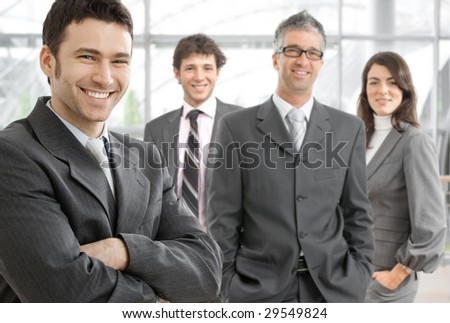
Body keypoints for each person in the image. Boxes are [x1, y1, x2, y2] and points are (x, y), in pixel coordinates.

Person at [0, 0, 223, 302]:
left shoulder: (146, 159)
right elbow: (63, 292)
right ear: (48, 61)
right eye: (88, 56)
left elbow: (207, 271)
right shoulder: (12, 154)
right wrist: (158, 303)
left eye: (119, 61)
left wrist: (123, 251)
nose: (105, 77)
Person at [206, 10, 374, 303]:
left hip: (333, 289)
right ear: (276, 59)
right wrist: (228, 282)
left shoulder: (349, 129)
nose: (302, 60)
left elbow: (357, 213)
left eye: (312, 53)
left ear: (321, 63)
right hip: (258, 290)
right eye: (293, 50)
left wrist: (360, 275)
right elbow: (223, 218)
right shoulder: (235, 128)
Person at [357, 51, 447, 303]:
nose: (382, 90)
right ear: (365, 89)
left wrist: (399, 273)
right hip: (349, 275)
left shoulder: (414, 141)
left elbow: (431, 223)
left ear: (405, 89)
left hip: (385, 280)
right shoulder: (358, 139)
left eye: (392, 82)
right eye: (374, 82)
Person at [144, 33, 241, 230]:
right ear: (177, 73)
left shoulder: (241, 122)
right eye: (190, 68)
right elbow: (150, 195)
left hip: (227, 244)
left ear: (218, 72)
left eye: (207, 68)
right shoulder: (156, 129)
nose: (199, 77)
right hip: (175, 244)